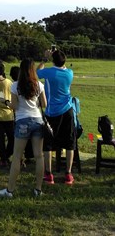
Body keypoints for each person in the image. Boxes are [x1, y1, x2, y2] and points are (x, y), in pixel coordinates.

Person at [0, 58, 46, 199]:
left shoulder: (15, 86)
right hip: (38, 120)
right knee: (39, 156)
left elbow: (14, 106)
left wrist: (5, 102)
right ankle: (38, 189)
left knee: (17, 156)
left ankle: (10, 190)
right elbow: (45, 104)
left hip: (22, 121)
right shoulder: (39, 85)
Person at [37, 48, 76, 185]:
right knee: (70, 143)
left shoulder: (49, 72)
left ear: (53, 61)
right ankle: (68, 174)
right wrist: (57, 54)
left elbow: (37, 72)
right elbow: (62, 66)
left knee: (48, 144)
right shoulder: (70, 73)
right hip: (68, 111)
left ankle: (49, 174)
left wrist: (44, 59)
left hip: (52, 112)